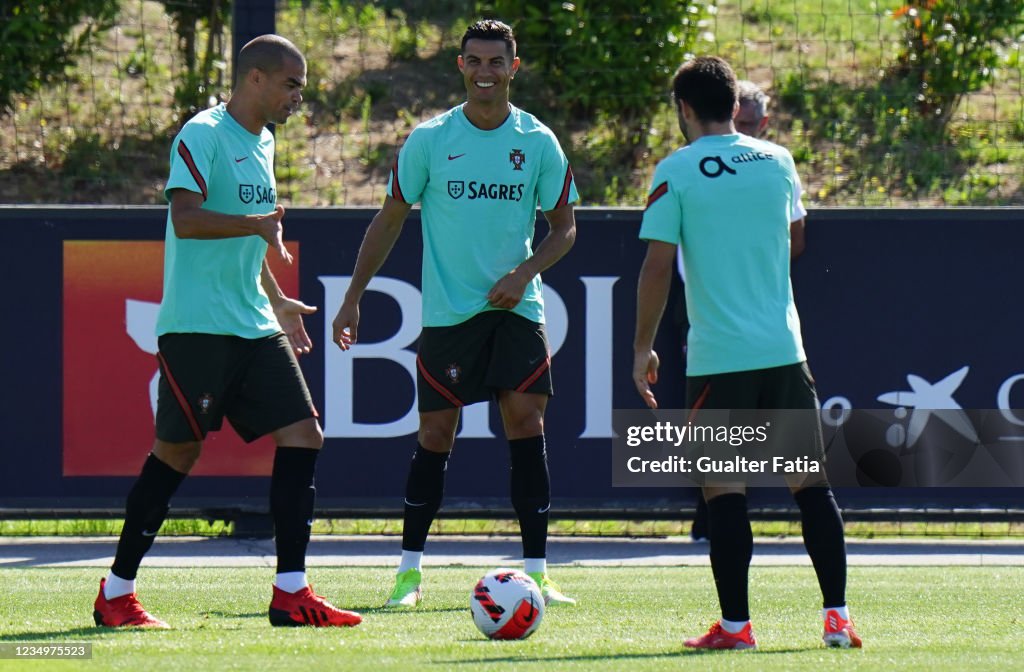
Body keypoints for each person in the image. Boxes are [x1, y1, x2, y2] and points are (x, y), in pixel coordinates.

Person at [92, 35, 362, 629]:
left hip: (255, 324)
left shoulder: (263, 141)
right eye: (292, 84)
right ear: (256, 79)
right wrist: (254, 225)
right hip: (198, 329)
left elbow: (253, 235)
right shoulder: (203, 134)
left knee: (305, 435)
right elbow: (185, 220)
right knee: (178, 453)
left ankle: (291, 592)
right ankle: (116, 593)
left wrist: (278, 299)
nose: (299, 96)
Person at [332, 19, 578, 609]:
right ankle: (409, 575)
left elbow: (565, 227)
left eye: (497, 62)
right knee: (436, 433)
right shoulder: (430, 140)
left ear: (514, 68)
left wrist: (522, 276)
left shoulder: (538, 141)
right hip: (447, 316)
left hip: (516, 309)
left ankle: (539, 573)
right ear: (460, 66)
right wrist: (353, 295)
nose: (485, 72)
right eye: (475, 61)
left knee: (526, 424)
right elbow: (390, 217)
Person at [632, 56, 860, 649]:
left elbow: (657, 267)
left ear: (683, 109)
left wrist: (642, 348)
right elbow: (795, 237)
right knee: (811, 487)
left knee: (723, 491)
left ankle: (737, 627)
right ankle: (837, 620)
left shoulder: (675, 171)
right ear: (736, 106)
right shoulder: (778, 160)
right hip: (784, 348)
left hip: (717, 355)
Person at [684, 79, 805, 542]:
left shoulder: (774, 164)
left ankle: (834, 607)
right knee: (714, 442)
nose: (746, 131)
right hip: (702, 309)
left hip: (762, 321)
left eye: (754, 124)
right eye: (743, 121)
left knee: (803, 471)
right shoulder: (687, 168)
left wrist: (746, 259)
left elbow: (797, 235)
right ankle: (707, 523)